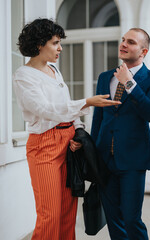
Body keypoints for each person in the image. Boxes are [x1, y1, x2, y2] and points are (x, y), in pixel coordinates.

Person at [13, 18, 120, 240]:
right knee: (50, 214)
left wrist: (79, 131)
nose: (60, 48)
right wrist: (87, 102)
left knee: (67, 211)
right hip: (44, 145)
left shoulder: (54, 71)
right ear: (39, 44)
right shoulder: (24, 76)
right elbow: (44, 109)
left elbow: (65, 103)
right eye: (55, 43)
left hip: (68, 141)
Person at [91, 28, 150, 240]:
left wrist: (129, 83)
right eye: (123, 40)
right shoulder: (105, 77)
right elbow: (99, 118)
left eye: (131, 42)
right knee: (113, 219)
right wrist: (92, 153)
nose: (123, 44)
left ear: (143, 51)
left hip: (133, 160)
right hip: (105, 159)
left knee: (132, 219)